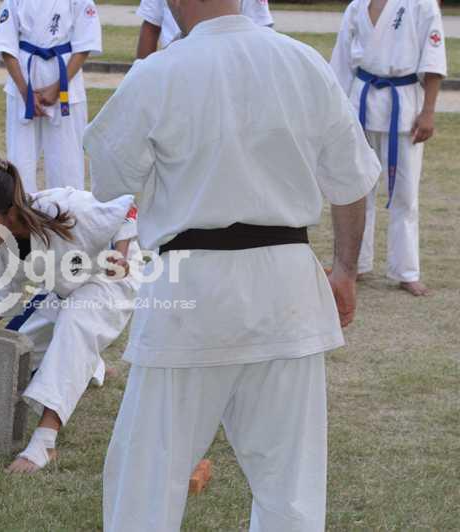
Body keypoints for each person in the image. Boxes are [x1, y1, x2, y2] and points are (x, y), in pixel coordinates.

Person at [83, 0, 381, 529]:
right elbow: (352, 179)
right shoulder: (302, 62)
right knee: (289, 487)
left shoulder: (159, 73)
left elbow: (109, 177)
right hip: (287, 288)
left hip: (192, 291)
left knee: (147, 476)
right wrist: (344, 271)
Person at [0, 159, 141, 473]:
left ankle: (45, 441)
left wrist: (120, 253)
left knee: (76, 324)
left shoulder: (63, 208)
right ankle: (89, 365)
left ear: (10, 213)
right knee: (13, 351)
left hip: (111, 278)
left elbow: (127, 207)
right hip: (63, 289)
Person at [330, 0, 446, 296]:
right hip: (360, 103)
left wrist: (428, 111)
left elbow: (433, 59)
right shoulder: (357, 6)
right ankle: (356, 264)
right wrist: (338, 111)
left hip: (404, 107)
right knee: (358, 189)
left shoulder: (421, 4)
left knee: (405, 194)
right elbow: (341, 63)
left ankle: (406, 270)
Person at [0, 0, 102, 193]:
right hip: (23, 77)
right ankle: (21, 208)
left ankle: (66, 209)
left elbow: (85, 45)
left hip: (66, 81)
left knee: (68, 159)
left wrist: (57, 88)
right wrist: (25, 92)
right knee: (20, 158)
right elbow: (6, 46)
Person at [136, 0, 274, 59]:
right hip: (174, 66)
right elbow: (150, 27)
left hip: (229, 67)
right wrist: (142, 75)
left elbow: (260, 27)